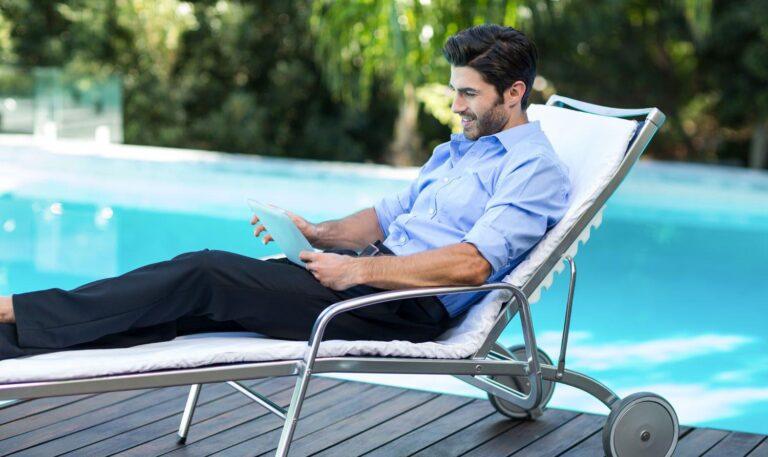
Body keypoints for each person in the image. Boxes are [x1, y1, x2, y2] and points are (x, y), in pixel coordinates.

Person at [0, 24, 570, 361]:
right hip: (366, 281)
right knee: (192, 308)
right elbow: (383, 216)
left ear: (514, 92)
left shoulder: (533, 170)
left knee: (204, 274)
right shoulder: (460, 149)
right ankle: (11, 346)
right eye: (455, 91)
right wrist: (315, 232)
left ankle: (15, 310)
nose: (455, 106)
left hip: (398, 306)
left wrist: (356, 274)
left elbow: (473, 265)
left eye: (468, 94)